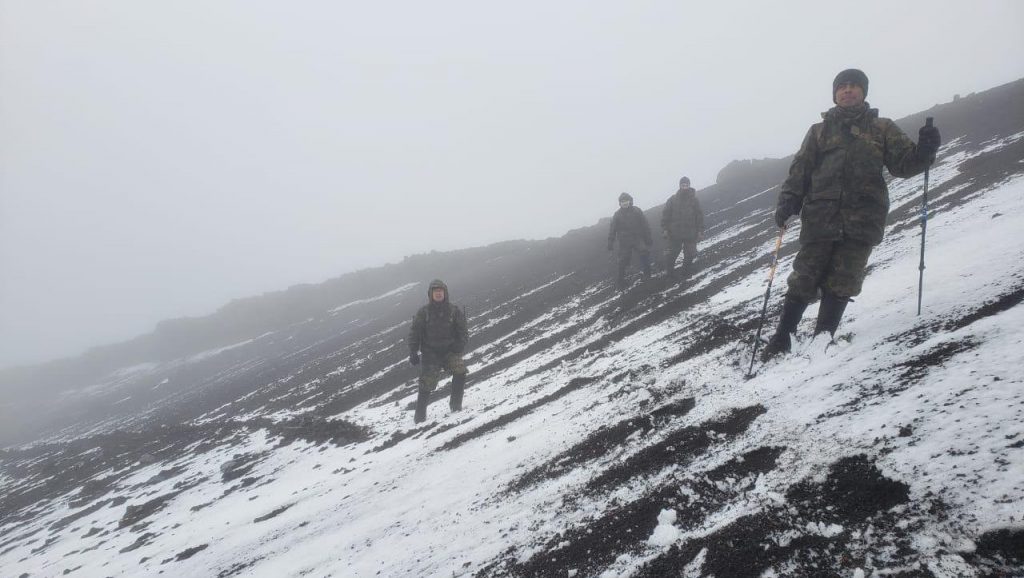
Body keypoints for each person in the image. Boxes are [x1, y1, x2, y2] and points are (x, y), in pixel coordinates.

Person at [761, 68, 941, 360]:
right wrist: (788, 201)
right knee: (805, 275)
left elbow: (904, 165)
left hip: (863, 218)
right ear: (835, 95)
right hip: (820, 217)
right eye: (842, 87)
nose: (848, 90)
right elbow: (801, 170)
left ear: (863, 93)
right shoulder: (818, 132)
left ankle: (823, 338)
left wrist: (926, 150)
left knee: (845, 277)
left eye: (854, 86)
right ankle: (783, 337)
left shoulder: (882, 128)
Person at [407, 279, 469, 423]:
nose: (439, 294)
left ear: (445, 293)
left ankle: (455, 406)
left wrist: (459, 345)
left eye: (441, 291)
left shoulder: (454, 311)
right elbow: (414, 333)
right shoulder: (423, 312)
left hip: (450, 351)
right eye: (436, 292)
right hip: (430, 354)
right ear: (431, 294)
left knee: (460, 373)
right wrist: (413, 351)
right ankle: (419, 418)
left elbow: (463, 331)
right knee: (426, 385)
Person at [660, 176, 704, 280]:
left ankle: (685, 272)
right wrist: (665, 229)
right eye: (683, 185)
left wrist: (700, 230)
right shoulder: (672, 199)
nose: (685, 187)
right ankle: (670, 274)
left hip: (690, 233)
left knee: (691, 254)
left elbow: (699, 216)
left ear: (689, 185)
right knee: (672, 254)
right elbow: (665, 215)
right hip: (675, 233)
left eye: (687, 185)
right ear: (680, 186)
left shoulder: (694, 200)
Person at [607, 192, 653, 289]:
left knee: (644, 252)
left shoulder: (637, 211)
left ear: (630, 201)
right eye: (622, 201)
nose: (625, 203)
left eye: (626, 201)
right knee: (622, 261)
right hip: (624, 242)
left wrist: (648, 238)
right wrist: (610, 243)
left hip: (637, 238)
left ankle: (647, 275)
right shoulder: (617, 215)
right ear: (620, 203)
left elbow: (645, 224)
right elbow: (612, 230)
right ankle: (621, 282)